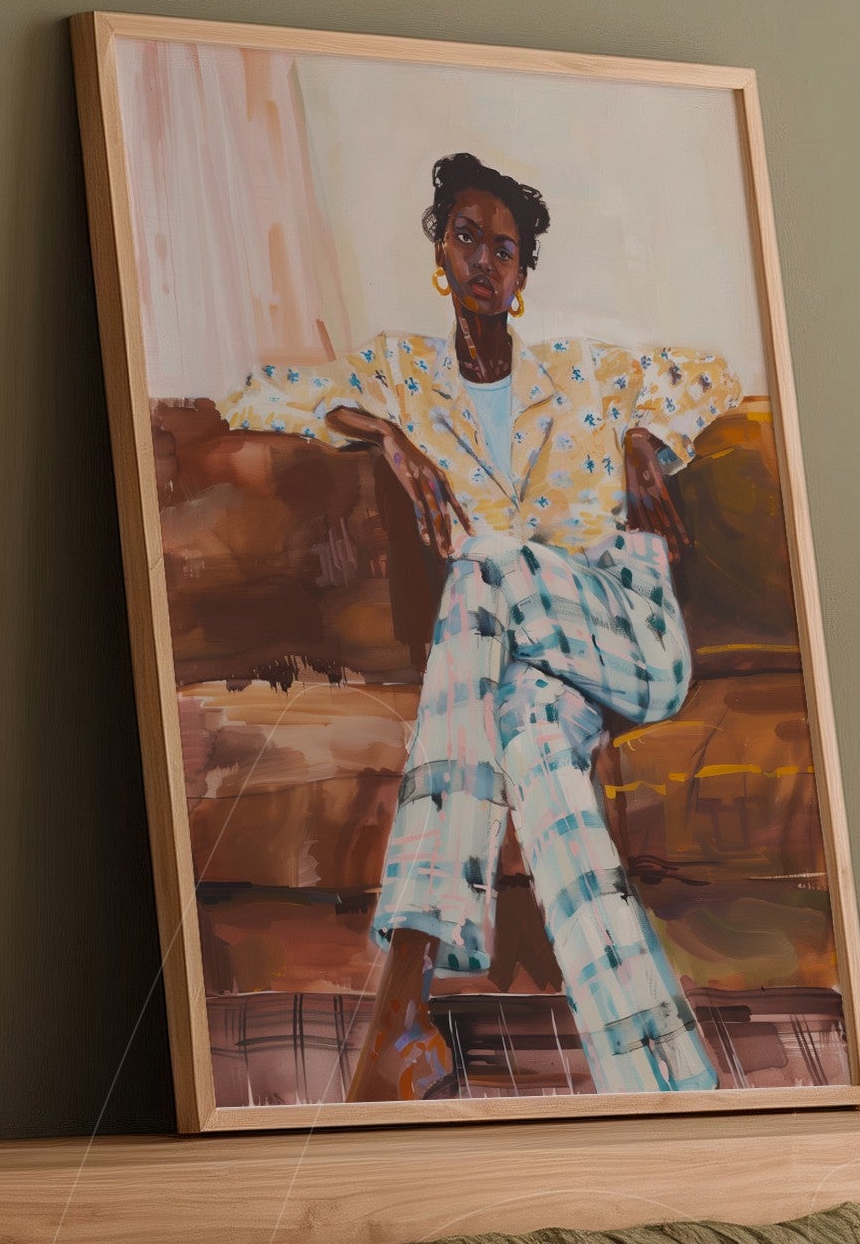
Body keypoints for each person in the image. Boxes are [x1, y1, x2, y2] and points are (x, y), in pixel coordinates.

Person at [223, 152, 741, 1101]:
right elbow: (254, 393)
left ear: (524, 277)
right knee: (533, 751)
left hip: (627, 630)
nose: (486, 263)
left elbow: (711, 374)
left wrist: (641, 438)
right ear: (439, 251)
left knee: (486, 563)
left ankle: (400, 1000)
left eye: (506, 250)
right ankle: (665, 1083)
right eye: (468, 239)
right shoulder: (401, 374)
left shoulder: (583, 373)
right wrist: (381, 431)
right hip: (529, 671)